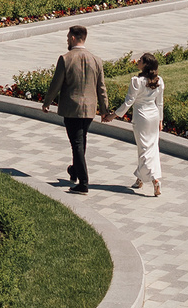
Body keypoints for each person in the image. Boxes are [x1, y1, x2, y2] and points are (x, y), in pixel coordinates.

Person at [37, 24, 106, 193]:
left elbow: (56, 84)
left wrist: (47, 101)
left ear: (74, 38)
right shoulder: (96, 59)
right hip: (89, 108)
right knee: (81, 140)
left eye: (68, 37)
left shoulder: (65, 58)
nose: (67, 40)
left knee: (76, 143)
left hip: (71, 108)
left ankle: (83, 182)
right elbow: (101, 87)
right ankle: (75, 170)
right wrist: (104, 109)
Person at [113, 52, 165, 196]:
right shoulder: (159, 80)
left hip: (141, 117)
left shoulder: (136, 81)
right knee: (152, 148)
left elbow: (128, 102)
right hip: (154, 116)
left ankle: (155, 179)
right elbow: (159, 103)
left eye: (141, 60)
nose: (138, 61)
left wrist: (114, 115)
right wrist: (160, 119)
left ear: (146, 65)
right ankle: (140, 179)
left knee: (143, 149)